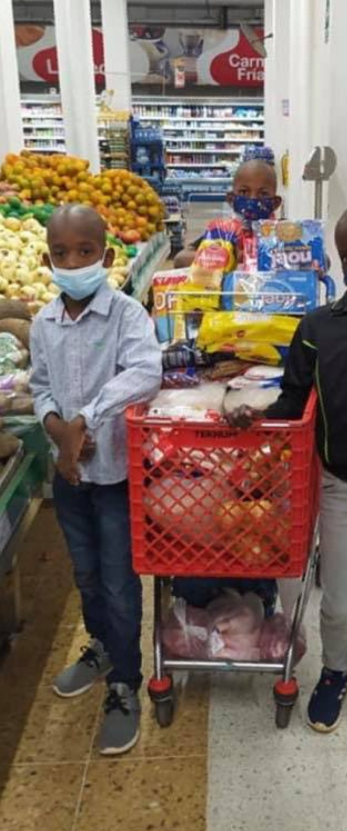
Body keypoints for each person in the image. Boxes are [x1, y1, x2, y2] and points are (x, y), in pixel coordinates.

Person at [228, 199, 347, 744]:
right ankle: (336, 669)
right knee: (338, 599)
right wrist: (255, 413)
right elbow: (293, 400)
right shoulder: (317, 328)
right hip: (339, 486)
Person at [29, 204, 162, 756]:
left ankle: (125, 682)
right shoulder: (42, 323)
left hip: (116, 475)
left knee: (118, 581)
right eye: (61, 253)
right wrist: (60, 431)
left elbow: (145, 372)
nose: (72, 261)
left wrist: (88, 419)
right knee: (85, 575)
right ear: (46, 259)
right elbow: (39, 387)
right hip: (71, 477)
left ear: (106, 257)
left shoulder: (128, 316)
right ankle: (102, 645)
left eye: (85, 252)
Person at [173, 157, 282, 269]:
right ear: (231, 199)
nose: (253, 199)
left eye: (263, 194)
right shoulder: (222, 231)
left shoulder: (283, 234)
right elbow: (180, 260)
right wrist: (229, 257)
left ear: (275, 203)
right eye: (244, 192)